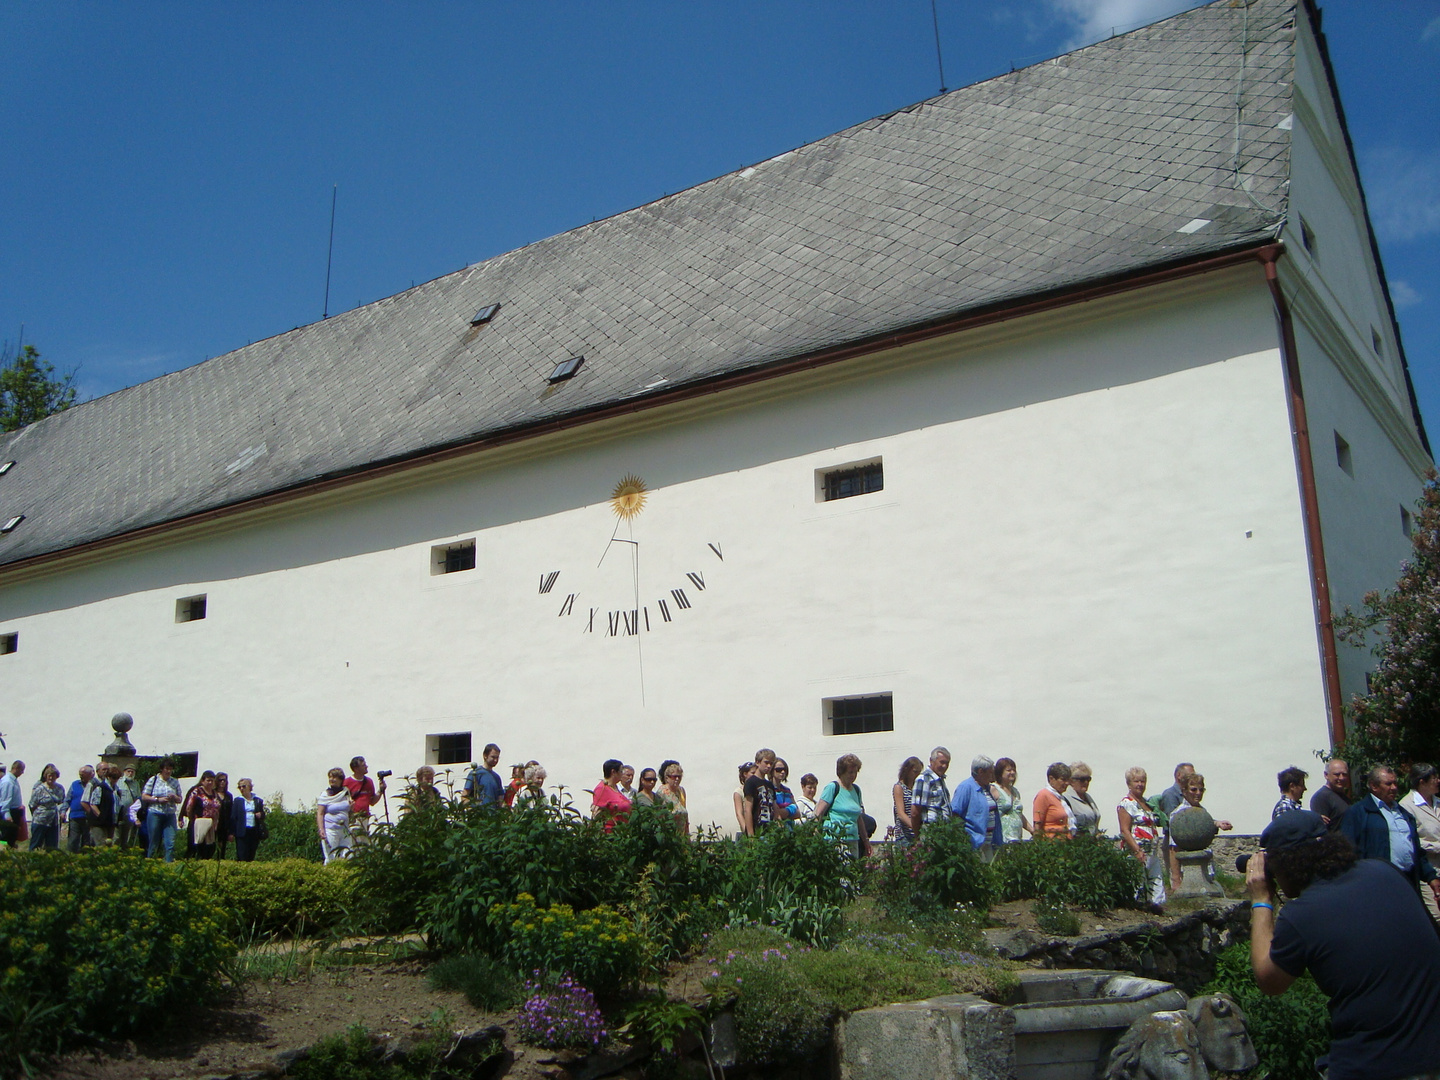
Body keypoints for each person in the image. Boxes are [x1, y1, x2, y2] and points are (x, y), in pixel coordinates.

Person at [1245, 810, 1440, 1080]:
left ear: (1286, 864)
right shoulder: (1386, 871)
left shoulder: (1302, 914)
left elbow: (1270, 981)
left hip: (1373, 1063)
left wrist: (1261, 898)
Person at [1339, 765, 1440, 902]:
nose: (1394, 788)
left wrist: (1431, 877)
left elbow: (1416, 850)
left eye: (1395, 783)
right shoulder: (1359, 813)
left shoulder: (1403, 813)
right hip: (1376, 884)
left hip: (1407, 880)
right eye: (1388, 784)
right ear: (1374, 786)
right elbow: (1346, 850)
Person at [1168, 772, 1231, 888]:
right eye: (1193, 790)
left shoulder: (1202, 811)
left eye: (1201, 790)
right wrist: (1176, 878)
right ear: (1184, 791)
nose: (1198, 793)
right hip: (1187, 871)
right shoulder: (1178, 814)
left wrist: (1217, 824)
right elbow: (1173, 849)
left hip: (1205, 868)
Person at [1118, 767, 1165, 912]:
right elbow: (1125, 830)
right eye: (1136, 781)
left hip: (1152, 852)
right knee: (1138, 884)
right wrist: (1137, 851)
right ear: (1129, 784)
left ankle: (1157, 911)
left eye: (1142, 781)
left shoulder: (1147, 803)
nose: (1140, 784)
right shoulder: (1126, 803)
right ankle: (1137, 912)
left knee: (1156, 884)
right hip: (1137, 852)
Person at [1399, 762, 1440, 928]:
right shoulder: (1406, 806)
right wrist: (1436, 847)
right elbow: (1410, 839)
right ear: (1421, 782)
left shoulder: (1437, 802)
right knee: (1436, 916)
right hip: (1427, 869)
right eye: (1434, 778)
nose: (1438, 781)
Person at [815, 753, 869, 858]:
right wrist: (815, 836)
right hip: (834, 838)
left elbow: (858, 818)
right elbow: (818, 813)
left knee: (852, 871)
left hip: (853, 839)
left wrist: (865, 841)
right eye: (850, 772)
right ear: (842, 772)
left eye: (855, 772)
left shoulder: (856, 790)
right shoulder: (832, 788)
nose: (853, 775)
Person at [949, 755, 1002, 851]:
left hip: (989, 843)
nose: (992, 776)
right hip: (975, 844)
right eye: (990, 773)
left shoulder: (986, 788)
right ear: (981, 772)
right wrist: (965, 838)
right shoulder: (966, 787)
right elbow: (955, 814)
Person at [142, 759, 183, 861]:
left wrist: (174, 797)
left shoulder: (174, 781)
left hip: (169, 814)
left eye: (170, 769)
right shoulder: (154, 780)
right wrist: (158, 800)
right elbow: (144, 796)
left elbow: (180, 799)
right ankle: (150, 862)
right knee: (154, 841)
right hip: (155, 813)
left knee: (170, 842)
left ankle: (169, 864)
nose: (168, 771)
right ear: (162, 769)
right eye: (166, 769)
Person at [909, 747, 952, 836]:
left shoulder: (940, 780)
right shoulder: (924, 779)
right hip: (930, 830)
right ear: (931, 761)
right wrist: (918, 834)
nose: (944, 766)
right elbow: (915, 812)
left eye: (947, 763)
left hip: (943, 830)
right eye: (942, 762)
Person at [316, 767, 354, 863]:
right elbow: (320, 813)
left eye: (334, 777)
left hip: (344, 830)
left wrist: (352, 807)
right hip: (331, 830)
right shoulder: (325, 795)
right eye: (330, 777)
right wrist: (321, 830)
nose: (331, 780)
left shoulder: (346, 792)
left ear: (341, 780)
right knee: (331, 857)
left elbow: (349, 811)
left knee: (347, 855)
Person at [990, 758, 1030, 844]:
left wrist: (1032, 829)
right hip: (1002, 839)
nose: (1012, 772)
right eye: (1008, 770)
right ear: (1000, 773)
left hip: (1017, 839)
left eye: (1013, 770)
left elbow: (1018, 814)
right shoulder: (993, 789)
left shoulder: (1015, 792)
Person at [27, 763, 66, 851]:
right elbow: (32, 804)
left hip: (53, 821)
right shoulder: (39, 789)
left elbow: (62, 802)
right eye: (49, 775)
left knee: (52, 846)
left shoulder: (59, 788)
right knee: (36, 844)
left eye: (53, 776)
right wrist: (37, 815)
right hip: (40, 821)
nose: (51, 778)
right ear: (46, 776)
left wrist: (62, 813)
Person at [183, 771, 221, 859]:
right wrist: (192, 819)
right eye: (208, 780)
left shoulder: (215, 793)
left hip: (211, 825)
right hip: (199, 823)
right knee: (197, 847)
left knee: (210, 848)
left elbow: (217, 808)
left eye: (212, 780)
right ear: (203, 781)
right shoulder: (197, 791)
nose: (210, 782)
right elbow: (189, 807)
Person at [343, 756, 385, 833]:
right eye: (363, 765)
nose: (366, 766)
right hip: (353, 818)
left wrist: (381, 790)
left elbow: (372, 801)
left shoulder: (369, 781)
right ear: (356, 769)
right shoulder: (347, 783)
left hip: (365, 818)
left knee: (363, 841)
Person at [1031, 761, 1073, 839]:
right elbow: (1037, 824)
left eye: (1068, 780)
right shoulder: (1043, 795)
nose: (1067, 783)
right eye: (1063, 780)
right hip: (1051, 843)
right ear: (1051, 779)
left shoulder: (1061, 798)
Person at [743, 749, 779, 836]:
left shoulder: (770, 785)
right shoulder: (751, 782)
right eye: (766, 763)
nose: (769, 766)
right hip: (757, 829)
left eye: (771, 763)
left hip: (769, 830)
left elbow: (775, 808)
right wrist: (751, 835)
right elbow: (748, 810)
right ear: (758, 762)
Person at [231, 778, 266, 862]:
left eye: (244, 786)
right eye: (239, 787)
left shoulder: (257, 800)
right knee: (242, 854)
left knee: (251, 853)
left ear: (250, 787)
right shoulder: (237, 801)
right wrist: (231, 832)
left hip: (254, 830)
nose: (242, 789)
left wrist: (261, 814)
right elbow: (233, 817)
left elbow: (263, 814)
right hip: (242, 831)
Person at [83, 762, 118, 846]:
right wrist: (99, 816)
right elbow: (88, 803)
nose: (105, 771)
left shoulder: (113, 788)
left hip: (109, 822)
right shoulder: (95, 785)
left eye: (107, 769)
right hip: (98, 822)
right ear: (98, 771)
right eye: (103, 769)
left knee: (110, 845)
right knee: (100, 845)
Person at [1310, 758, 1352, 828]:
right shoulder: (1322, 797)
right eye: (1337, 774)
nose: (1341, 778)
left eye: (1344, 774)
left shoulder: (1342, 795)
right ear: (1326, 775)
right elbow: (1320, 829)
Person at [591, 759, 630, 831]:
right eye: (621, 771)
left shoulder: (615, 787)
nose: (622, 774)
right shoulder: (602, 789)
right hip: (610, 832)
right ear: (613, 772)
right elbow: (597, 814)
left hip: (622, 830)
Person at [1064, 761, 1101, 837]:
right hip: (1078, 843)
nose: (1086, 782)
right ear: (1071, 781)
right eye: (1082, 779)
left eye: (1088, 779)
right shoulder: (1066, 798)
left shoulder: (1087, 797)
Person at [892, 756, 922, 846]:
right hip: (904, 836)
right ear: (907, 770)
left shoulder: (916, 788)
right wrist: (915, 827)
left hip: (916, 836)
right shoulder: (899, 787)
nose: (916, 775)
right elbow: (900, 814)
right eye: (915, 772)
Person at [67, 764, 94, 853]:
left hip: (87, 816)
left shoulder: (94, 785)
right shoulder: (75, 784)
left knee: (87, 840)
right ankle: (71, 857)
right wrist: (63, 811)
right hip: (75, 816)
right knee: (73, 840)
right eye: (80, 774)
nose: (81, 776)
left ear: (90, 774)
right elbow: (68, 799)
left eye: (83, 774)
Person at [657, 760, 689, 833]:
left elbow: (685, 815)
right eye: (674, 777)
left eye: (679, 777)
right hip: (669, 832)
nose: (677, 779)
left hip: (681, 832)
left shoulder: (681, 791)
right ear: (667, 778)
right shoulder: (662, 791)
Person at [114, 764, 140, 848]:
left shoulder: (136, 784)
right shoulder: (118, 782)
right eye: (128, 771)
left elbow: (138, 798)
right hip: (119, 814)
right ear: (124, 772)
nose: (130, 773)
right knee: (116, 837)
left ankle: (124, 853)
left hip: (130, 814)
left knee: (127, 837)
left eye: (132, 771)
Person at [0, 760, 23, 847]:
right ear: (16, 768)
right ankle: (3, 852)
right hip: (10, 812)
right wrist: (7, 815)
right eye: (21, 770)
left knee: (12, 838)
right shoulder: (8, 782)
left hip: (15, 811)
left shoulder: (13, 780)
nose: (22, 772)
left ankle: (8, 850)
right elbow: (6, 799)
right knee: (6, 837)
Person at [214, 772, 235, 860]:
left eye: (224, 780)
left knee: (221, 848)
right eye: (220, 780)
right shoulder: (212, 793)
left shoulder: (229, 796)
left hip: (224, 825)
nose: (222, 782)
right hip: (214, 824)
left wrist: (231, 831)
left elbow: (231, 812)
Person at [772, 758, 800, 823]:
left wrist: (784, 812)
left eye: (784, 769)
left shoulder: (787, 790)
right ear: (772, 771)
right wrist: (791, 809)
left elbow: (798, 813)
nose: (782, 772)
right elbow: (774, 814)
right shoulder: (769, 789)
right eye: (778, 770)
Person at [732, 761, 756, 834]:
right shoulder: (739, 792)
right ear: (745, 774)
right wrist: (746, 830)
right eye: (753, 773)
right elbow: (739, 813)